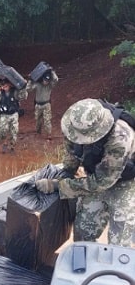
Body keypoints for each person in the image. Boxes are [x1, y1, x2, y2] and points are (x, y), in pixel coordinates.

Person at [35, 98, 135, 246]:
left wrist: (59, 186)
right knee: (83, 229)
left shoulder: (120, 138)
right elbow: (72, 155)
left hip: (124, 183)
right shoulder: (75, 126)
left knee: (120, 241)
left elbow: (102, 182)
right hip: (95, 175)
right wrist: (64, 175)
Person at [0, 79, 28, 153]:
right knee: (3, 131)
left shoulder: (15, 92)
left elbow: (24, 96)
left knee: (14, 131)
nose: (4, 88)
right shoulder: (1, 93)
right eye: (3, 86)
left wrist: (24, 87)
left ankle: (12, 146)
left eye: (6, 86)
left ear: (9, 85)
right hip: (4, 115)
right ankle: (4, 144)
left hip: (13, 114)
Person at [27, 67, 58, 139]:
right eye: (44, 80)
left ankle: (49, 134)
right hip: (38, 105)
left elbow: (56, 80)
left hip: (46, 104)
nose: (45, 82)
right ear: (42, 79)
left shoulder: (50, 86)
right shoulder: (38, 84)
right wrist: (30, 81)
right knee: (38, 120)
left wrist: (52, 71)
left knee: (47, 120)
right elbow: (28, 89)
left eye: (47, 80)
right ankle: (38, 131)